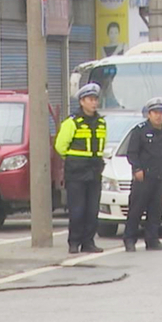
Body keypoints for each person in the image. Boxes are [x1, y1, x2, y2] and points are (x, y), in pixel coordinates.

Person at [55, 83, 108, 254]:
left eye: (95, 100)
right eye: (90, 100)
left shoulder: (101, 122)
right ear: (82, 101)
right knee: (77, 210)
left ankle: (88, 242)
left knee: (92, 210)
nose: (94, 103)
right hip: (77, 172)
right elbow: (60, 146)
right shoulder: (72, 122)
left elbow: (101, 146)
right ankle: (74, 242)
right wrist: (73, 159)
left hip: (94, 171)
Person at [123, 97, 162, 252]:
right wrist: (137, 169)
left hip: (159, 177)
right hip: (143, 177)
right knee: (136, 209)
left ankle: (152, 240)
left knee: (156, 210)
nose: (158, 116)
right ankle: (129, 239)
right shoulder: (140, 131)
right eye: (155, 112)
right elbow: (132, 152)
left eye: (161, 113)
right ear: (149, 114)